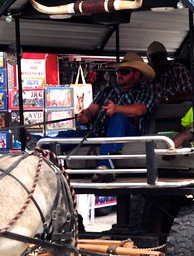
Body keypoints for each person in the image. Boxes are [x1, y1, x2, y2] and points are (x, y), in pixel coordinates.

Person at [59, 51, 156, 180]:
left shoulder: (145, 90)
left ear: (137, 75)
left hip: (129, 135)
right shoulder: (107, 90)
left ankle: (105, 166)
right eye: (118, 72)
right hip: (99, 133)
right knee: (68, 136)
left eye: (125, 72)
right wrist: (85, 116)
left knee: (118, 118)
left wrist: (116, 109)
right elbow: (91, 110)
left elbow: (140, 109)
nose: (119, 75)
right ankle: (37, 145)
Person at [147, 40, 194, 104]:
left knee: (188, 103)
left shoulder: (178, 70)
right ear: (148, 60)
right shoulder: (145, 74)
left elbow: (191, 94)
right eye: (154, 58)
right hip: (151, 108)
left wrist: (167, 99)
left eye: (161, 57)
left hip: (175, 107)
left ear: (166, 57)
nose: (158, 61)